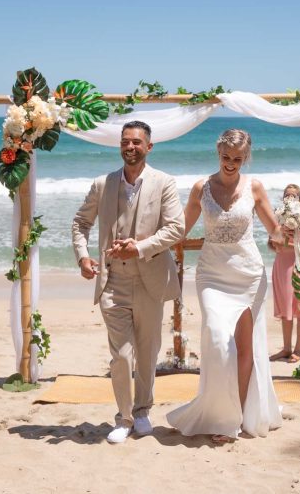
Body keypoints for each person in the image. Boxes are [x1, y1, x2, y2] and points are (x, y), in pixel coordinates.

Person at [166, 129, 283, 442]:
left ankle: (236, 419)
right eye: (225, 157)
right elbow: (179, 229)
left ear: (246, 158)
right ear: (218, 153)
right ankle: (220, 413)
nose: (231, 163)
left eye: (237, 159)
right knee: (218, 342)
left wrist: (289, 231)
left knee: (245, 348)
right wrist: (147, 243)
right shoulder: (201, 188)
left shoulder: (254, 187)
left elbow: (274, 230)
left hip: (249, 275)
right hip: (212, 276)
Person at [72, 120, 185, 444]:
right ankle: (124, 417)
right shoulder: (102, 184)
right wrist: (82, 256)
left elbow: (176, 228)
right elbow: (80, 223)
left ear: (149, 146)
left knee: (147, 353)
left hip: (150, 280)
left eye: (136, 142)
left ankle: (143, 410)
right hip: (113, 282)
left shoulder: (164, 182)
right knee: (121, 355)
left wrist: (140, 247)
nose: (130, 147)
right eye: (125, 141)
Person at [269, 184, 300, 364]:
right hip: (281, 265)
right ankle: (286, 348)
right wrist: (276, 243)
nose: (290, 198)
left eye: (294, 196)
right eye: (287, 195)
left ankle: (298, 350)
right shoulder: (278, 218)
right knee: (286, 308)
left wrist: (288, 244)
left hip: (298, 264)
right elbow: (270, 243)